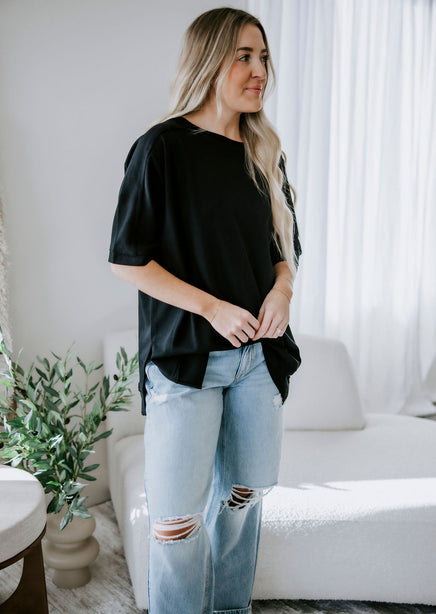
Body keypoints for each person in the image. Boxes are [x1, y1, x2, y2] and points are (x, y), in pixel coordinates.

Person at [108, 7, 303, 614]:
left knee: (243, 500)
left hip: (257, 360)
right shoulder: (161, 148)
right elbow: (127, 259)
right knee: (174, 522)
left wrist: (281, 293)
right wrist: (212, 307)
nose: (259, 70)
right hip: (186, 361)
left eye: (264, 57)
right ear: (209, 60)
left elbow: (284, 250)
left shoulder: (265, 152)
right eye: (244, 56)